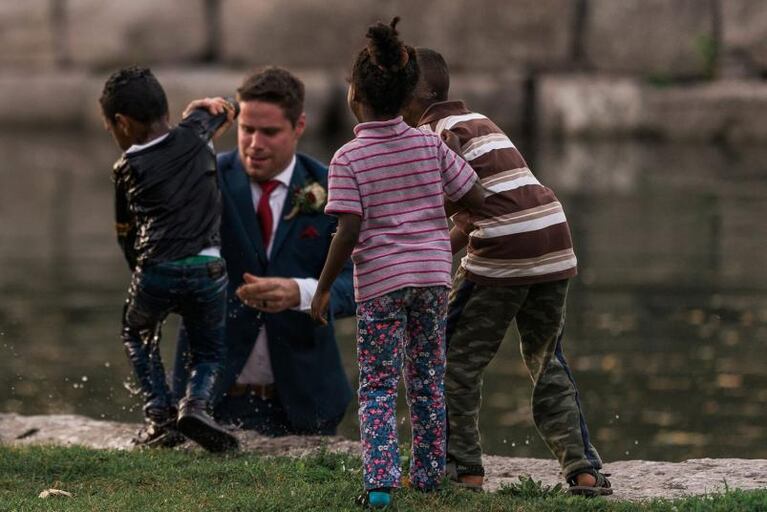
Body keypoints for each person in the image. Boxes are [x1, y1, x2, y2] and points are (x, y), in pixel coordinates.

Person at [401, 48, 613, 496]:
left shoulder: (430, 137)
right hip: (553, 237)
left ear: (411, 95)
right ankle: (583, 469)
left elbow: (465, 205)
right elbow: (469, 214)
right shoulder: (478, 121)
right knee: (547, 357)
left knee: (450, 356)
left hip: (505, 246)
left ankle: (463, 468)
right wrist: (436, 248)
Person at [311, 19, 484, 509]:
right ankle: (428, 476)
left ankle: (381, 484)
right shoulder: (430, 144)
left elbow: (348, 231)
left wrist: (324, 287)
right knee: (427, 378)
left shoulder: (348, 158)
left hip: (382, 283)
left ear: (354, 95)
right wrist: (442, 215)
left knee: (379, 384)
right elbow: (474, 193)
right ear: (410, 93)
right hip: (432, 277)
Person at [173, 67, 356, 436]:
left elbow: (363, 282)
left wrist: (303, 292)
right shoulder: (205, 178)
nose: (255, 143)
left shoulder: (331, 187)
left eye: (269, 132)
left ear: (299, 126)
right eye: (247, 129)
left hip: (306, 401)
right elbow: (160, 216)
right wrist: (188, 139)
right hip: (209, 400)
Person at [101, 66, 239, 452]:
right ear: (166, 110)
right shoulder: (196, 130)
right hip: (209, 269)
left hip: (156, 269)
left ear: (122, 123)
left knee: (135, 332)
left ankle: (160, 414)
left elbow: (125, 232)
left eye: (110, 127)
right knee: (208, 350)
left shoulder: (126, 167)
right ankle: (195, 405)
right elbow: (229, 108)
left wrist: (140, 273)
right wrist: (204, 106)